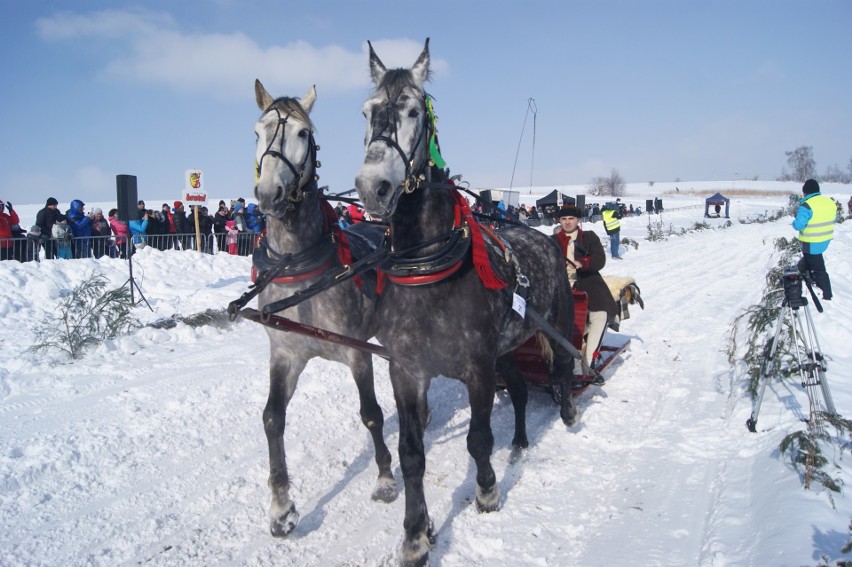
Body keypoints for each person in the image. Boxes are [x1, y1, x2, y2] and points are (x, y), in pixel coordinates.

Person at [552, 205, 618, 385]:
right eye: (564, 219)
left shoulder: (589, 237)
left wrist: (582, 263)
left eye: (571, 219)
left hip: (589, 286)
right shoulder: (552, 240)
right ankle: (571, 363)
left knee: (600, 314)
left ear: (578, 220)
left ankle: (589, 362)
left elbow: (599, 259)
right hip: (561, 289)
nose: (567, 222)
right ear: (559, 221)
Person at [793, 179, 834, 300]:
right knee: (811, 263)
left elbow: (799, 225)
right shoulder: (829, 202)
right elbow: (834, 218)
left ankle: (826, 295)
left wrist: (794, 222)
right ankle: (811, 282)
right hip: (825, 239)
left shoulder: (806, 205)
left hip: (811, 242)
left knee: (818, 269)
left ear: (806, 192)